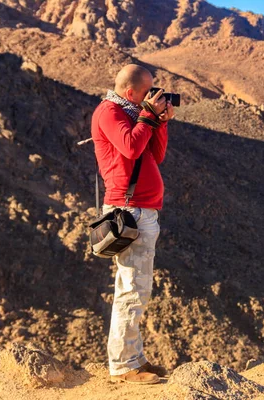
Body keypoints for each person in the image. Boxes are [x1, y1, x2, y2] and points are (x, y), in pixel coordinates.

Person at [91, 64, 174, 385]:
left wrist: (160, 122)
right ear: (130, 93)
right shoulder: (109, 112)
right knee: (131, 288)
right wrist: (148, 116)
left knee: (138, 288)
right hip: (128, 212)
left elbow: (156, 153)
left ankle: (134, 357)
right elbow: (130, 147)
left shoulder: (133, 113)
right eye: (147, 92)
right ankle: (124, 365)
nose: (152, 97)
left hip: (144, 210)